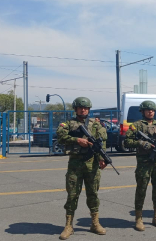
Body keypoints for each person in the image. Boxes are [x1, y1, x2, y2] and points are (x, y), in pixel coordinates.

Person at [56, 97, 108, 240]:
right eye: (80, 107)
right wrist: (77, 140)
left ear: (89, 110)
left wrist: (103, 158)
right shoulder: (68, 123)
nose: (83, 110)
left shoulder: (96, 125)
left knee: (93, 194)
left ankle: (95, 223)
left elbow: (102, 142)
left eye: (85, 108)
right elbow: (60, 136)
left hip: (92, 164)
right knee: (72, 195)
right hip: (75, 164)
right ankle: (68, 226)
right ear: (75, 109)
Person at [124, 100, 156, 231]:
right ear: (142, 111)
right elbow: (127, 142)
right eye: (148, 110)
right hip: (144, 163)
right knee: (141, 190)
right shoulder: (136, 126)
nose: (151, 112)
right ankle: (138, 218)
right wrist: (141, 143)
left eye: (153, 110)